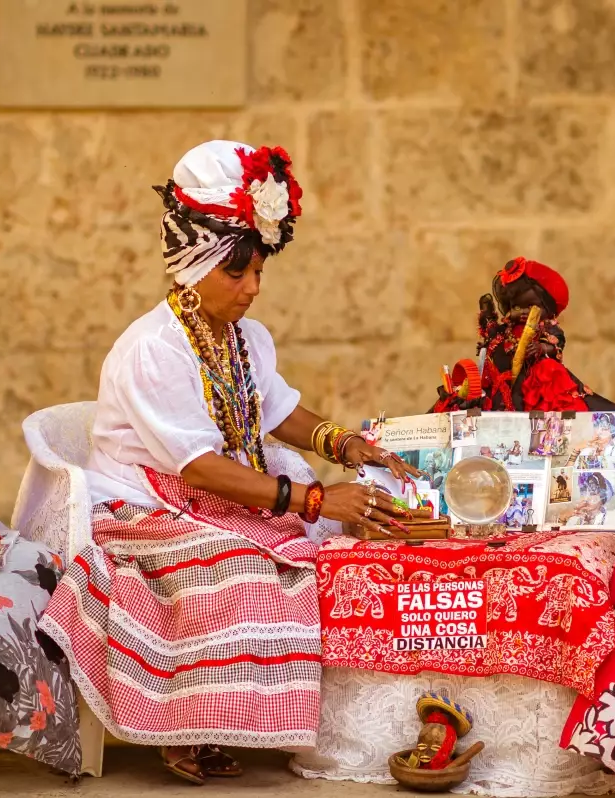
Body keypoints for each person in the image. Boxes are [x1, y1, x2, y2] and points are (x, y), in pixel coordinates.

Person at [37, 140, 417, 785]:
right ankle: (184, 723)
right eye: (236, 274)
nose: (251, 289)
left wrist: (344, 444)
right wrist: (317, 498)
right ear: (193, 265)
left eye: (259, 273)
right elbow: (200, 468)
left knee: (329, 549)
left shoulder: (245, 339)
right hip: (144, 504)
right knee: (246, 567)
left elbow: (276, 411)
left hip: (215, 487)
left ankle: (286, 718)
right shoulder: (155, 349)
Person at [431, 258, 615, 414]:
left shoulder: (545, 328)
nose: (523, 312)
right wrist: (488, 329)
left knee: (548, 372)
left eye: (530, 306)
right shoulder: (506, 329)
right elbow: (491, 336)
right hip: (496, 386)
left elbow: (557, 343)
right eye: (517, 306)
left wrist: (543, 348)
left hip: (528, 386)